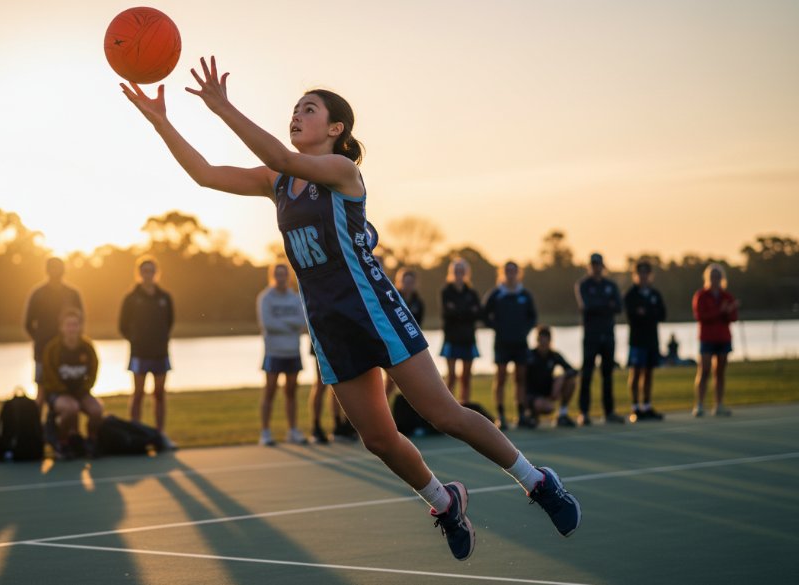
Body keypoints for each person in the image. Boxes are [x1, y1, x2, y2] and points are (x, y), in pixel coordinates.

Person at [120, 58, 580, 561]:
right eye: (294, 109)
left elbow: (281, 154)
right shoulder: (276, 181)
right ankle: (443, 501)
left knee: (444, 413)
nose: (296, 115)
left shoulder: (342, 171)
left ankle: (538, 482)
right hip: (328, 324)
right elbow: (206, 175)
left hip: (373, 310)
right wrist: (160, 120)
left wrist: (222, 106)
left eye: (308, 109)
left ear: (335, 129)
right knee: (379, 439)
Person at [119, 255, 175, 446]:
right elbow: (122, 325)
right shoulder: (131, 298)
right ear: (139, 273)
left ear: (156, 273)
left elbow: (169, 322)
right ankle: (135, 434)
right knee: (138, 393)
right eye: (144, 271)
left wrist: (159, 339)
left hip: (160, 352)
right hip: (139, 353)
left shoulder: (164, 297)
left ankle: (160, 435)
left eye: (151, 271)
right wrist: (136, 340)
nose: (148, 274)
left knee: (159, 394)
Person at [39, 307, 104, 458]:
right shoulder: (52, 349)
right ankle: (62, 443)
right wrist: (64, 392)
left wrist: (84, 389)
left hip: (80, 392)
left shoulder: (87, 347)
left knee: (97, 410)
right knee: (71, 408)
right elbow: (48, 377)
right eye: (68, 325)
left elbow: (93, 372)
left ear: (80, 326)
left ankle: (91, 441)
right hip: (58, 394)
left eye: (75, 324)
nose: (72, 328)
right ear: (61, 327)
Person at [482, 261, 538, 430]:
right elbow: (484, 314)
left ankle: (521, 414)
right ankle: (501, 416)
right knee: (500, 379)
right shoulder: (496, 293)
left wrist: (524, 330)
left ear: (518, 273)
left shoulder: (525, 294)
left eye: (513, 271)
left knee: (520, 379)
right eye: (507, 271)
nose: (510, 273)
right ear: (503, 272)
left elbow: (533, 317)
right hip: (502, 343)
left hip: (520, 343)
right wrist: (497, 327)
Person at [257, 262, 308, 446]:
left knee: (291, 393)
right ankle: (265, 432)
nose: (281, 278)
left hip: (293, 351)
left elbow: (302, 321)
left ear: (288, 276)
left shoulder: (295, 298)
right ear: (273, 276)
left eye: (283, 274)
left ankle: (293, 430)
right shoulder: (266, 298)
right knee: (269, 392)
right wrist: (290, 324)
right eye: (277, 274)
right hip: (273, 352)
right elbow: (268, 324)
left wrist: (284, 323)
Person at [24, 257, 83, 405]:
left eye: (59, 268)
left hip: (68, 351)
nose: (55, 271)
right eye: (52, 268)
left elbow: (80, 320)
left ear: (64, 270)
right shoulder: (38, 293)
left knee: (68, 389)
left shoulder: (72, 294)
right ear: (46, 270)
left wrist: (72, 340)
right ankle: (37, 426)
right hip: (42, 349)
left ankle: (65, 426)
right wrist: (39, 337)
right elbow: (28, 323)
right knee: (41, 391)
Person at [574, 253, 623, 425]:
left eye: (599, 264)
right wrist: (605, 304)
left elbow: (618, 306)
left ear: (603, 266)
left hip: (608, 335)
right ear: (590, 266)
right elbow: (586, 306)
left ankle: (609, 412)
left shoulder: (611, 285)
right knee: (587, 374)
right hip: (591, 336)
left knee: (607, 375)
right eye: (593, 264)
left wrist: (600, 305)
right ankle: (584, 412)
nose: (596, 267)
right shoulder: (583, 285)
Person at [692, 263, 738, 417]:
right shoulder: (701, 296)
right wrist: (720, 311)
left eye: (718, 277)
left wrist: (728, 311)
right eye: (712, 277)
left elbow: (733, 317)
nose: (715, 279)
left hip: (723, 338)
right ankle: (699, 404)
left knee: (720, 372)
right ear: (707, 278)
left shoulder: (727, 296)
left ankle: (719, 404)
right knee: (704, 370)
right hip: (707, 338)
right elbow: (701, 317)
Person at [623, 261, 667, 422]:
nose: (643, 277)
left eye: (646, 274)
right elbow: (632, 316)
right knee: (635, 372)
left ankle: (647, 406)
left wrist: (646, 313)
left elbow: (662, 314)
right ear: (636, 275)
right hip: (637, 340)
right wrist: (648, 314)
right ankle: (635, 407)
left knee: (649, 373)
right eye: (640, 274)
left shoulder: (655, 294)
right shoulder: (631, 295)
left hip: (652, 340)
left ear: (650, 276)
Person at [439, 259, 481, 405]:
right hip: (451, 338)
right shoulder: (446, 292)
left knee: (466, 377)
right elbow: (448, 313)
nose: (459, 274)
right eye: (456, 271)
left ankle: (465, 405)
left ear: (466, 273)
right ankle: (448, 406)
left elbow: (477, 313)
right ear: (451, 273)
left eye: (461, 271)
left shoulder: (472, 293)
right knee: (451, 376)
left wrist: (458, 311)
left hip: (468, 339)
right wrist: (466, 311)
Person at [384, 267, 424, 399]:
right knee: (390, 381)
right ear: (399, 282)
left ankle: (405, 413)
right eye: (405, 282)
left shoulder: (419, 302)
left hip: (412, 345)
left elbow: (419, 326)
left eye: (410, 282)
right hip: (395, 344)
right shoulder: (392, 299)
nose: (408, 285)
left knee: (412, 381)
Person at [525, 326, 578, 428]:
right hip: (532, 394)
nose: (543, 343)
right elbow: (519, 379)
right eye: (540, 340)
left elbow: (573, 371)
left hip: (548, 391)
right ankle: (531, 415)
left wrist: (561, 379)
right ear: (537, 340)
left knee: (571, 381)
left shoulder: (554, 355)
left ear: (550, 341)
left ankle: (562, 414)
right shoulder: (529, 355)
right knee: (547, 407)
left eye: (546, 340)